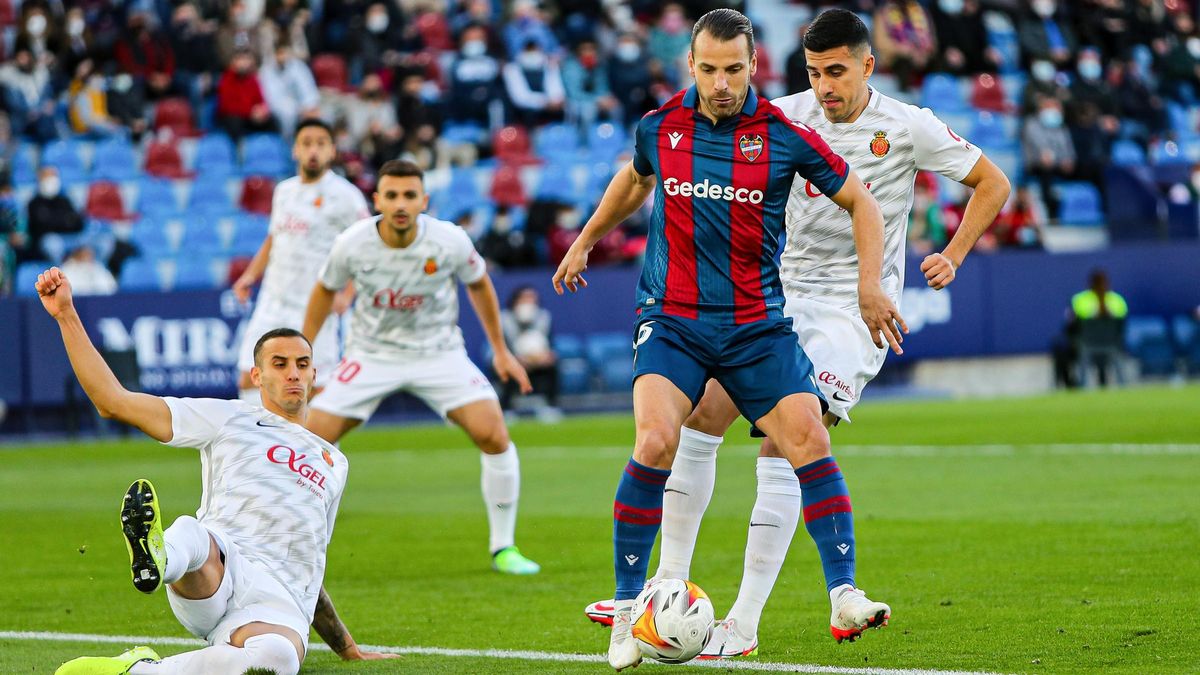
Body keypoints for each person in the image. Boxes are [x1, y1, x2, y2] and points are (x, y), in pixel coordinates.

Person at [578, 8, 1011, 660]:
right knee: (698, 419)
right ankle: (662, 585)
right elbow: (662, 172)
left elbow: (992, 182)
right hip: (772, 299)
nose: (825, 85)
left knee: (789, 443)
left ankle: (745, 625)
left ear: (868, 65)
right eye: (814, 72)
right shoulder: (778, 115)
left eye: (837, 71)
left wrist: (952, 252)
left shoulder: (907, 125)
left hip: (851, 310)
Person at [35, 269, 395, 674]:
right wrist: (66, 314)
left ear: (315, 374)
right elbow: (113, 402)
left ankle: (137, 670)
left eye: (302, 364)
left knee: (277, 660)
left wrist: (347, 647)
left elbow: (311, 562)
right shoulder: (229, 416)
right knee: (194, 532)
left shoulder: (335, 463)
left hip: (278, 600)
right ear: (256, 376)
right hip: (217, 571)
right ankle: (159, 556)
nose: (293, 373)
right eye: (279, 364)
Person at [301, 160, 542, 577]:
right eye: (391, 195)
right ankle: (298, 545)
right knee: (309, 440)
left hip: (438, 352)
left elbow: (480, 283)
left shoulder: (449, 241)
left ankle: (504, 547)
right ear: (376, 200)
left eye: (409, 195)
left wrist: (501, 350)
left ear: (423, 201)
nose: (400, 204)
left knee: (493, 433)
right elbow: (325, 290)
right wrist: (304, 356)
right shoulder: (351, 243)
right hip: (370, 354)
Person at [232, 118, 371, 404]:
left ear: (332, 151)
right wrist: (249, 276)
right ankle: (259, 447)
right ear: (295, 150)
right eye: (306, 143)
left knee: (314, 386)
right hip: (273, 301)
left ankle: (323, 450)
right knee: (250, 376)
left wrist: (347, 295)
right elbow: (274, 238)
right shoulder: (284, 191)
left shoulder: (346, 196)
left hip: (316, 307)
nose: (313, 151)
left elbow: (367, 249)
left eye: (321, 144)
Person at [500, 285, 560, 417]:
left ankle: (550, 407)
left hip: (539, 361)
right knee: (506, 368)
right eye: (525, 298)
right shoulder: (504, 319)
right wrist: (516, 359)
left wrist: (546, 356)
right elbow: (501, 346)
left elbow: (550, 343)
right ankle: (506, 409)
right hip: (514, 360)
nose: (529, 302)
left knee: (553, 366)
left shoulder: (544, 317)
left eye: (532, 298)